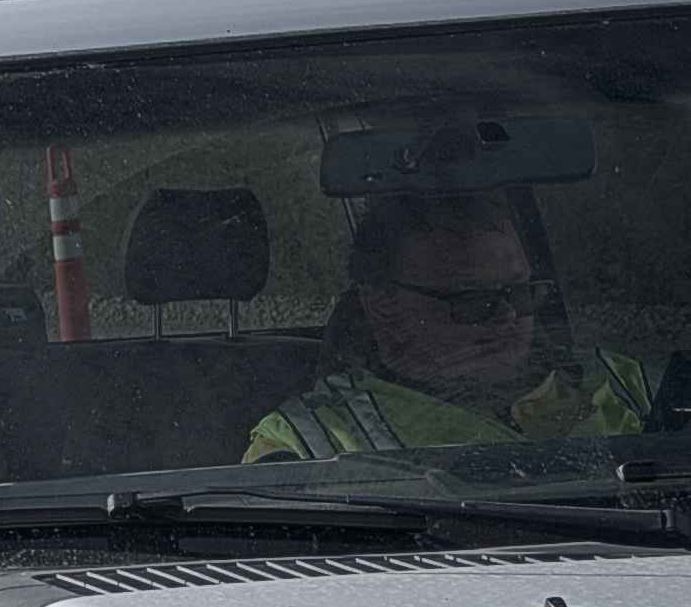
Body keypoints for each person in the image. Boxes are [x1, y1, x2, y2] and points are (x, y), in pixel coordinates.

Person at [244, 194, 651, 463]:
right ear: (383, 305)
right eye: (474, 302)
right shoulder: (304, 442)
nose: (508, 316)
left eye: (521, 293)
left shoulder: (625, 382)